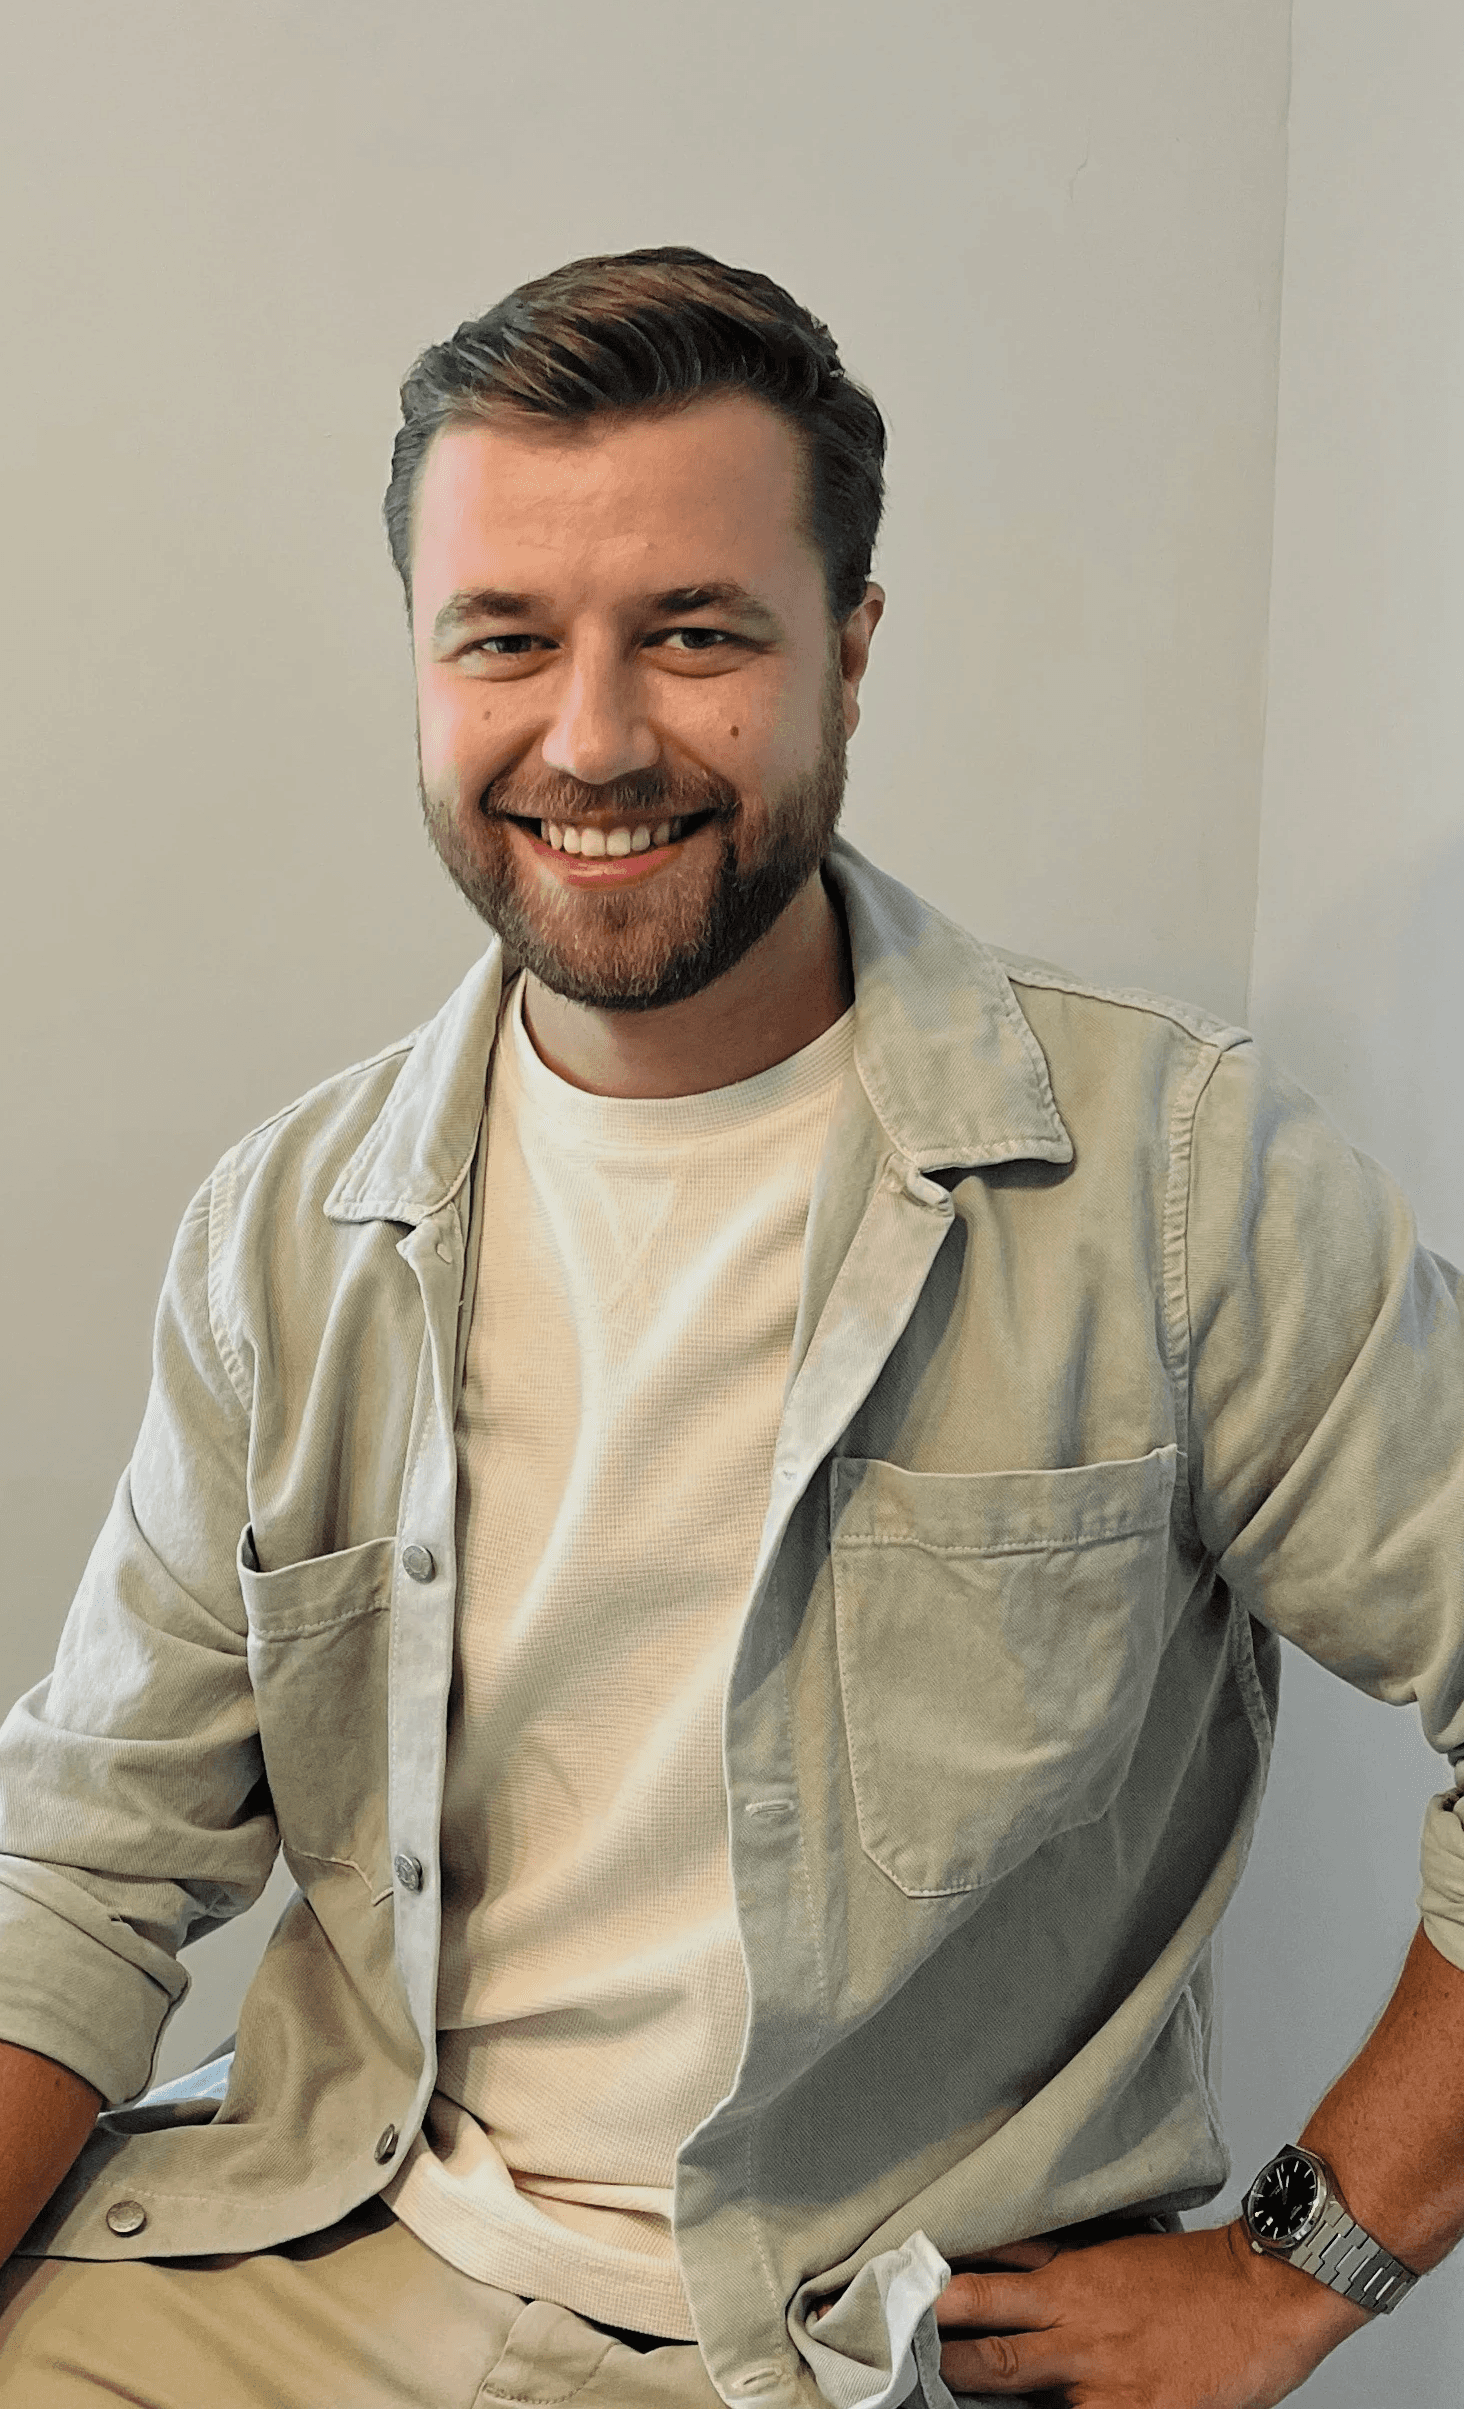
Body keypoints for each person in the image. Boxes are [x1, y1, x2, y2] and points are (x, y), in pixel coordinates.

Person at [0, 245, 1460, 2409]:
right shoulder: (289, 1233)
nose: (592, 737)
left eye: (693, 633)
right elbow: (84, 1868)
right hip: (312, 2253)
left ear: (849, 659)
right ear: (419, 662)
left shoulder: (1175, 1182)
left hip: (868, 2337)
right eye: (505, 639)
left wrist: (1300, 2266)